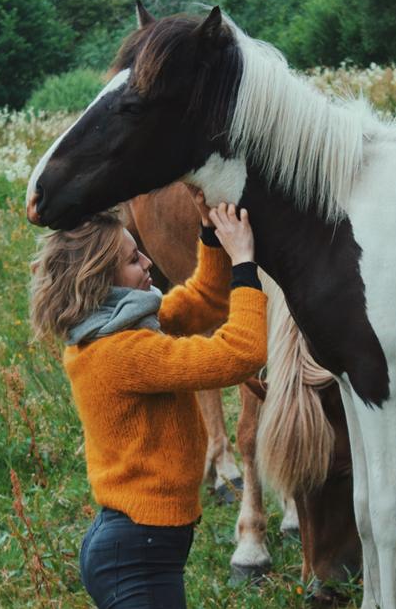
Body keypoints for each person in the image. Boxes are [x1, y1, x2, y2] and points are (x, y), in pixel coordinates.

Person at [29, 189, 267, 608]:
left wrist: (209, 232)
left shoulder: (122, 324)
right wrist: (246, 265)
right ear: (98, 279)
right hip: (136, 554)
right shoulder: (122, 353)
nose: (147, 264)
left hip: (136, 545)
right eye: (133, 260)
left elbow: (204, 299)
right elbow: (241, 353)